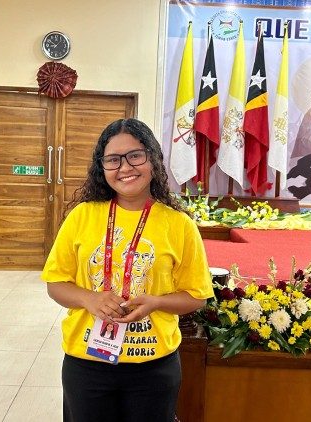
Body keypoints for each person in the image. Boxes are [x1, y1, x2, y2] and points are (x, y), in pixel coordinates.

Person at [42, 118, 213, 422]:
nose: (124, 167)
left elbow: (197, 295)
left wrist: (157, 302)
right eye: (112, 159)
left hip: (153, 366)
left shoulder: (179, 224)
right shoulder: (82, 216)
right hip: (87, 362)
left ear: (153, 158)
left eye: (135, 155)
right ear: (101, 167)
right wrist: (89, 299)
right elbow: (56, 283)